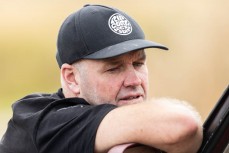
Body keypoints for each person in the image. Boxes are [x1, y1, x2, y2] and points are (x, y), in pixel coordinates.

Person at [0, 4, 203, 153]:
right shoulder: (42, 122)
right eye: (114, 68)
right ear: (71, 78)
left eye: (138, 64)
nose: (134, 80)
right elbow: (181, 126)